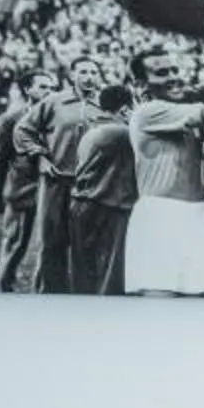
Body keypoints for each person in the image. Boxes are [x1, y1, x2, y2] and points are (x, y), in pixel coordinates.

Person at [123, 49, 204, 298]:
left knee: (203, 308)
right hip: (161, 216)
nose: (174, 77)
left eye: (175, 70)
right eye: (162, 73)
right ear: (142, 84)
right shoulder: (150, 111)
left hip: (198, 212)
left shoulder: (180, 114)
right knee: (160, 310)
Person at [21, 52, 106, 294]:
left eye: (93, 72)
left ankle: (83, 297)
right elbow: (24, 130)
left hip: (90, 185)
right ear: (71, 75)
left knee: (86, 245)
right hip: (56, 181)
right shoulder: (54, 102)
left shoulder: (104, 105)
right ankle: (51, 296)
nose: (89, 77)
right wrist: (40, 157)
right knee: (52, 244)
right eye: (83, 72)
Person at [66, 79, 139, 297]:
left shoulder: (93, 127)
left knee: (83, 270)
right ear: (125, 109)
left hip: (82, 203)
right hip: (107, 205)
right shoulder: (121, 132)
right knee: (111, 271)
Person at [0, 63, 55, 291]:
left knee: (48, 243)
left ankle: (42, 289)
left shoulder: (58, 117)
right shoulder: (11, 119)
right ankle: (5, 286)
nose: (49, 92)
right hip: (21, 190)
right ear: (28, 90)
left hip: (50, 188)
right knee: (15, 242)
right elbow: (0, 160)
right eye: (43, 87)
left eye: (52, 87)